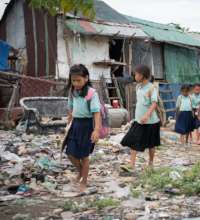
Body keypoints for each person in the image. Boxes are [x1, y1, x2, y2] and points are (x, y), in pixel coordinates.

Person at [65, 64, 101, 192]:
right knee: (70, 152)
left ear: (86, 78)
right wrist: (68, 124)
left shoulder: (92, 93)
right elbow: (70, 108)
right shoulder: (72, 91)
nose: (76, 83)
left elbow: (97, 113)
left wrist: (96, 130)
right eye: (73, 80)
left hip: (87, 126)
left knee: (84, 156)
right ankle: (80, 171)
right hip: (75, 125)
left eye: (78, 80)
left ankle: (84, 181)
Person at [121, 64, 160, 171]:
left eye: (137, 74)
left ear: (143, 75)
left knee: (151, 144)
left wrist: (147, 115)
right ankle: (131, 165)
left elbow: (154, 103)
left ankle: (151, 163)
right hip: (139, 121)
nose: (135, 76)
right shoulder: (138, 86)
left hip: (151, 121)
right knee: (133, 141)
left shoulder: (152, 88)